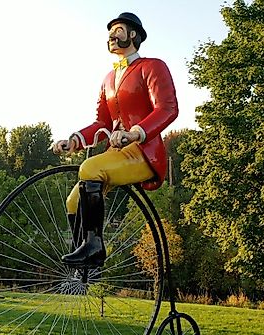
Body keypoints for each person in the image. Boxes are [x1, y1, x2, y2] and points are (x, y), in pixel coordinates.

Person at [51, 12, 179, 268]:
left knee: (89, 168)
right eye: (110, 31)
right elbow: (102, 124)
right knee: (73, 201)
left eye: (118, 29)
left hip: (143, 152)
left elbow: (168, 108)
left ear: (133, 34)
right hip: (117, 155)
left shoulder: (152, 67)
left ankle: (95, 247)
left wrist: (136, 132)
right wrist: (74, 140)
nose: (112, 35)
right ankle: (85, 263)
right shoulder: (108, 79)